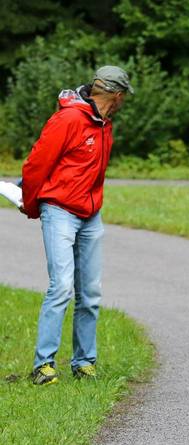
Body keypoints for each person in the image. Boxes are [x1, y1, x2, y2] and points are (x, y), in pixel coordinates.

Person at [21, 66, 133, 385]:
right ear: (117, 94)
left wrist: (92, 205)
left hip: (90, 214)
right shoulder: (69, 119)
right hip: (59, 210)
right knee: (61, 286)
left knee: (90, 292)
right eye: (124, 96)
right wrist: (34, 205)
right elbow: (36, 164)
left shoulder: (104, 124)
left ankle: (84, 362)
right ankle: (44, 365)